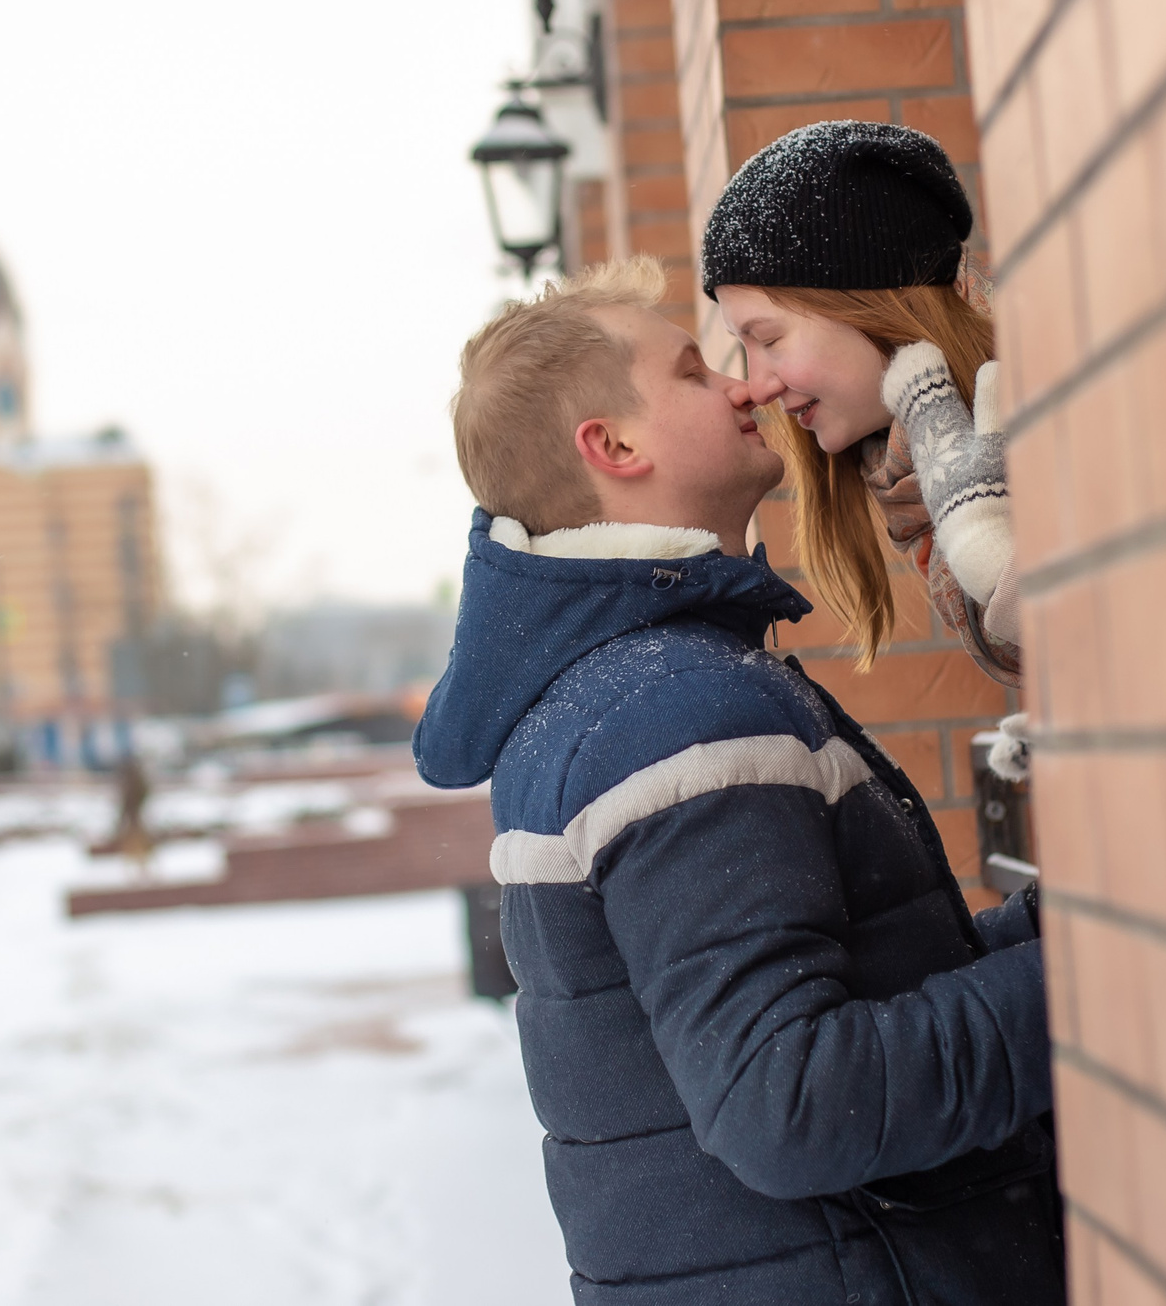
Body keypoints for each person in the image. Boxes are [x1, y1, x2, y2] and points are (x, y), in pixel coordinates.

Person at [414, 258, 1060, 1306]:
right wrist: (1104, 975)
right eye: (690, 371)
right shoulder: (668, 714)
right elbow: (793, 1103)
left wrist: (1052, 930)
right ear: (613, 447)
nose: (744, 386)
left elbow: (845, 990)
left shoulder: (627, 691)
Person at [704, 120, 1031, 780]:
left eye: (767, 337)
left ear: (868, 303)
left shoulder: (1042, 409)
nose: (757, 383)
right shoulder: (909, 464)